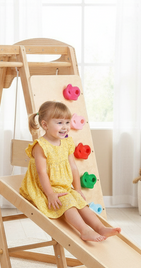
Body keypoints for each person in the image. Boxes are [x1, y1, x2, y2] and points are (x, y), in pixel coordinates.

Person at [19, 101, 121, 242]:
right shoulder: (41, 146)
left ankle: (100, 227)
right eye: (60, 122)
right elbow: (41, 172)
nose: (65, 127)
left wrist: (78, 189)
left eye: (67, 122)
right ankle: (84, 230)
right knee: (68, 203)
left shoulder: (67, 142)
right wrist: (50, 194)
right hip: (46, 187)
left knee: (80, 202)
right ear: (45, 125)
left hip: (63, 185)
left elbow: (73, 166)